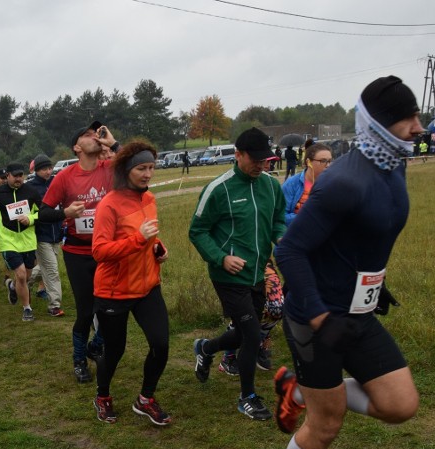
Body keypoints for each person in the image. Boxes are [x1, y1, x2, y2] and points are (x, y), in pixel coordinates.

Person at [270, 75, 422, 449]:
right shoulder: (344, 181)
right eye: (407, 119)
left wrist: (377, 283)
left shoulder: (392, 166)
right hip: (317, 317)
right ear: (378, 124)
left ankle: (297, 391)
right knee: (327, 422)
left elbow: (361, 238)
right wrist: (319, 316)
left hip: (358, 311)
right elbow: (290, 251)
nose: (419, 127)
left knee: (400, 405)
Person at [189, 127, 286, 420]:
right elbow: (198, 231)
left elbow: (278, 220)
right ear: (238, 154)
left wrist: (281, 238)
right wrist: (221, 258)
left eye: (265, 160)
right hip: (228, 276)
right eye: (255, 159)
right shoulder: (219, 188)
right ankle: (248, 397)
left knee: (244, 331)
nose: (261, 165)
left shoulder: (271, 185)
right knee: (252, 334)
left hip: (258, 272)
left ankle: (205, 348)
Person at [92, 142, 171, 426]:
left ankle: (145, 399)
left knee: (161, 344)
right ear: (127, 169)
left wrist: (158, 247)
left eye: (151, 167)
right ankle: (103, 396)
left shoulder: (149, 198)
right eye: (141, 168)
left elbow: (150, 237)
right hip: (114, 291)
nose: (148, 174)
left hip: (148, 286)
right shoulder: (109, 205)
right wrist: (138, 239)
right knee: (115, 350)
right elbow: (99, 251)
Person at [38, 120, 120, 383]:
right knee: (86, 310)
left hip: (107, 251)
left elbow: (137, 163)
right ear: (76, 147)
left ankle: (96, 345)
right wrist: (65, 213)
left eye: (96, 134)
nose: (94, 137)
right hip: (78, 251)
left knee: (113, 306)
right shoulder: (65, 177)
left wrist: (113, 142)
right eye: (87, 135)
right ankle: (79, 360)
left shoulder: (109, 168)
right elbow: (43, 213)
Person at [0, 162, 42, 322]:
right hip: (8, 241)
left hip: (28, 241)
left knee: (26, 277)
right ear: (7, 176)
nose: (19, 179)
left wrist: (31, 218)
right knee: (20, 274)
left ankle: (13, 287)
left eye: (21, 175)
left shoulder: (31, 191)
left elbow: (42, 211)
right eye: (15, 176)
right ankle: (27, 308)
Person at [26, 154, 65, 317]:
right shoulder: (30, 188)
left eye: (49, 168)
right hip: (41, 234)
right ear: (36, 170)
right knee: (52, 270)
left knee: (44, 268)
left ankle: (17, 285)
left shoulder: (57, 182)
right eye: (43, 169)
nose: (48, 172)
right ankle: (54, 305)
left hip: (57, 232)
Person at [282, 143, 333, 226]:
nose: (328, 165)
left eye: (330, 161)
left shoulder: (333, 185)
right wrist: (308, 217)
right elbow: (281, 216)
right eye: (323, 161)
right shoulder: (291, 184)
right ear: (308, 162)